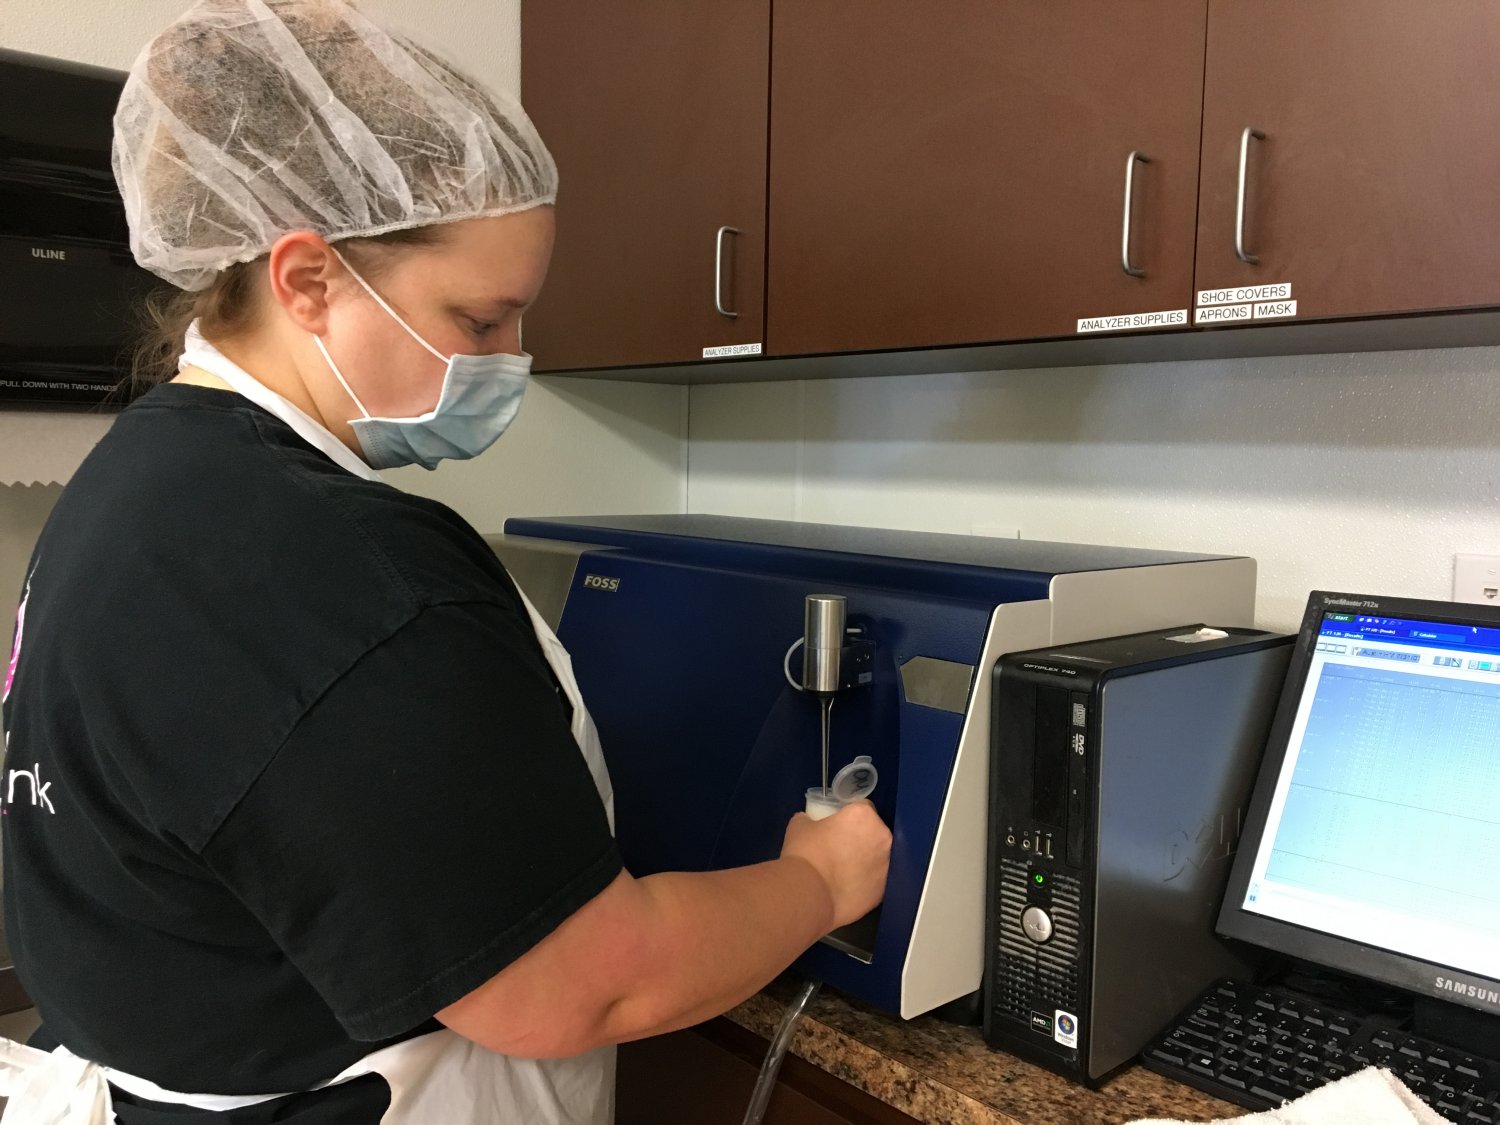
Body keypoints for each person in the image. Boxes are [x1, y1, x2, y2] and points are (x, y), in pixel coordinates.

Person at [0, 1, 892, 1121]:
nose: (512, 362)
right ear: (307, 279)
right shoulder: (335, 569)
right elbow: (588, 985)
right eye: (479, 322)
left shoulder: (139, 480)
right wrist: (819, 882)